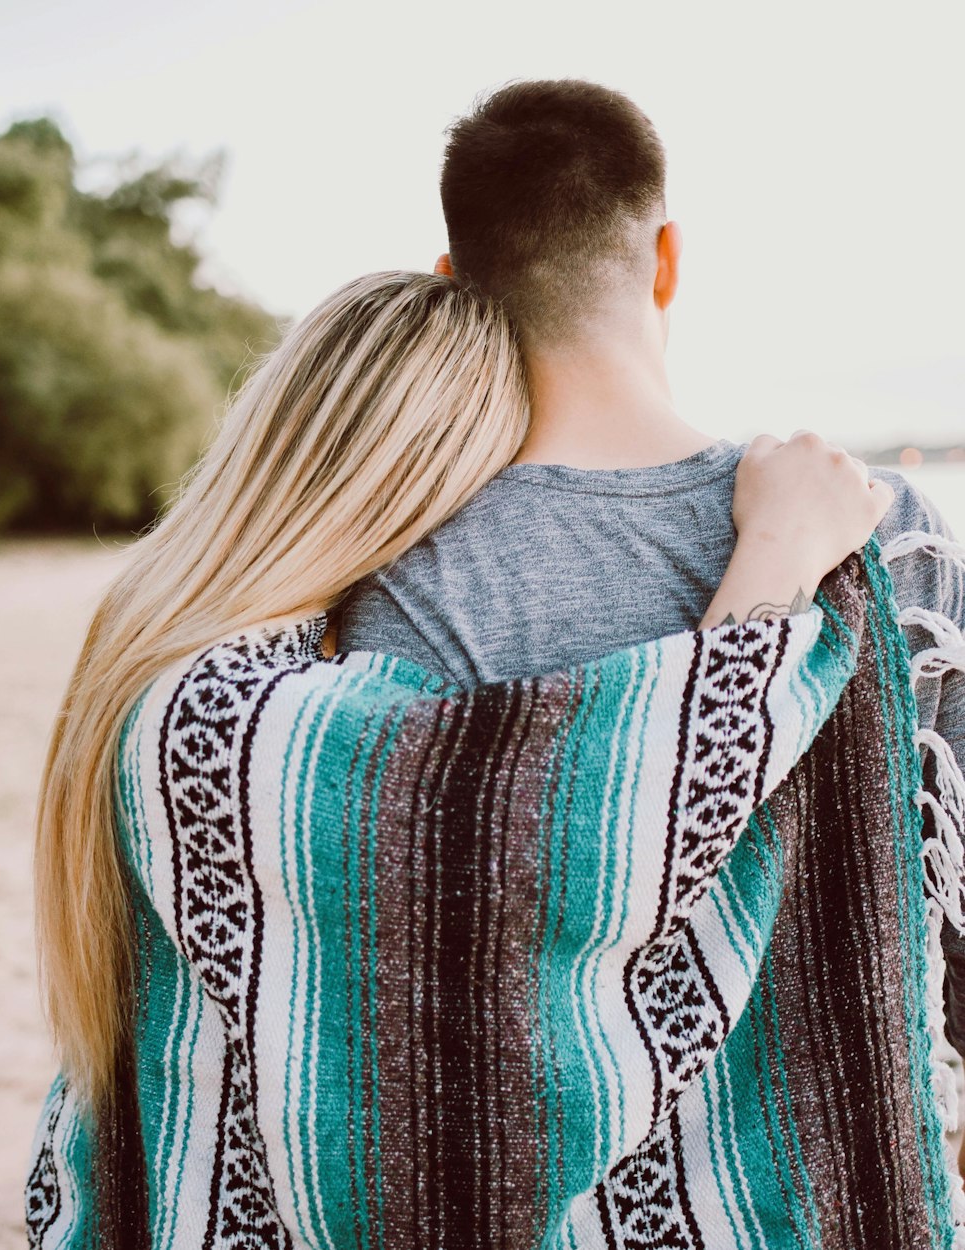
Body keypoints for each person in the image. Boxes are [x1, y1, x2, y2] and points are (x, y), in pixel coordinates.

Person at [26, 268, 891, 1248]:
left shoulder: (162, 652)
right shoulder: (235, 713)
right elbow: (585, 824)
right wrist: (782, 547)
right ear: (422, 472)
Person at [335, 76, 965, 1056]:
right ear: (667, 258)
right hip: (844, 1164)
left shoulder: (406, 579)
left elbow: (427, 953)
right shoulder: (886, 527)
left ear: (453, 278)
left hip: (563, 1189)